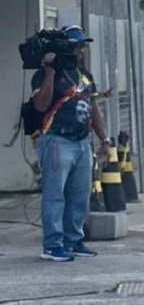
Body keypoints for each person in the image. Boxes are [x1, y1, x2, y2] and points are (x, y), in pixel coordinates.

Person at [28, 25, 109, 262]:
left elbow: (94, 109)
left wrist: (104, 139)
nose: (80, 51)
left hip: (82, 142)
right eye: (75, 46)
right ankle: (52, 244)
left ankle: (73, 239)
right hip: (56, 139)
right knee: (55, 195)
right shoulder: (44, 75)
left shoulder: (84, 76)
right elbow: (40, 105)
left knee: (79, 194)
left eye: (81, 46)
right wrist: (50, 73)